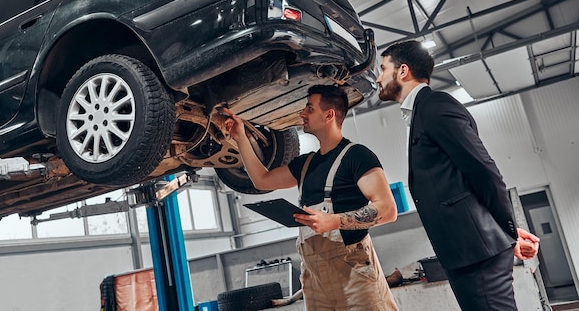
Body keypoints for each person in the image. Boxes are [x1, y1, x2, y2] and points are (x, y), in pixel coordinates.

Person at [376, 40, 540, 311]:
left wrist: (509, 231)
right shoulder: (420, 113)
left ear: (402, 71)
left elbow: (485, 172)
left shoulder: (435, 106)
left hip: (477, 254)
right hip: (466, 254)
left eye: (383, 69)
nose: (379, 78)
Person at [224, 84, 399, 311]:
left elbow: (387, 210)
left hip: (354, 274)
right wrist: (241, 139)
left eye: (309, 108)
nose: (302, 113)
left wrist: (333, 221)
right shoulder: (305, 164)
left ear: (329, 115)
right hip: (315, 278)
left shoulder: (357, 156)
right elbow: (262, 181)